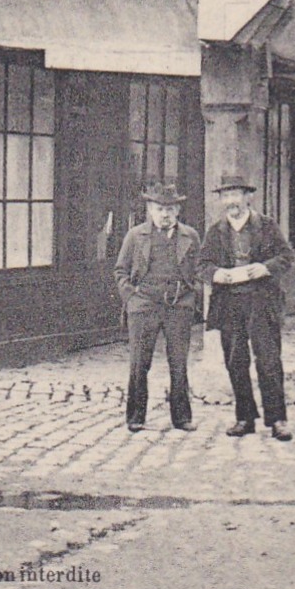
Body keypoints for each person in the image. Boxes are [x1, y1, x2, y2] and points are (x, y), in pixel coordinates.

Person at [199, 175, 295, 441]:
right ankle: (245, 417)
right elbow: (202, 265)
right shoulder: (216, 231)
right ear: (221, 200)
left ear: (247, 197)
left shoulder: (266, 226)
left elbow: (287, 256)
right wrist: (218, 274)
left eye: (236, 195)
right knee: (235, 361)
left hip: (262, 302)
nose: (231, 201)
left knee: (268, 360)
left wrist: (264, 267)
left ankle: (277, 419)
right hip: (229, 304)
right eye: (226, 196)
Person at [113, 181, 201, 434]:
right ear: (150, 209)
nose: (165, 214)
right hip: (144, 306)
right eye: (160, 209)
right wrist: (131, 297)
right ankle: (136, 416)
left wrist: (191, 295)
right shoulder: (135, 235)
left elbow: (199, 269)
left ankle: (182, 417)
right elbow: (120, 270)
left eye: (170, 209)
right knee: (140, 363)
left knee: (178, 363)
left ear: (178, 211)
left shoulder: (190, 236)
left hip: (178, 306)